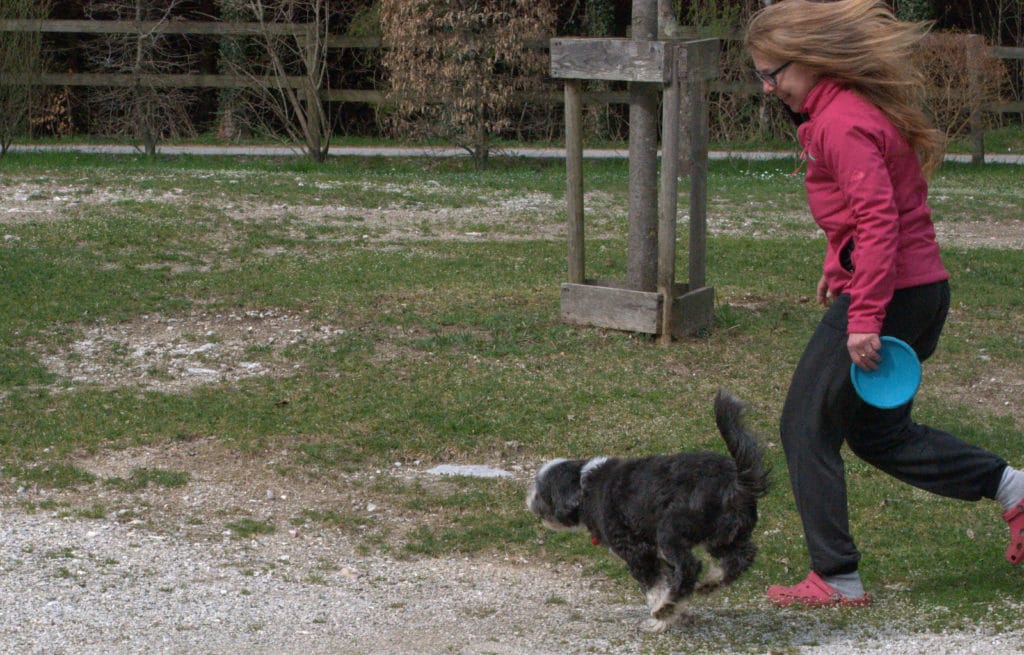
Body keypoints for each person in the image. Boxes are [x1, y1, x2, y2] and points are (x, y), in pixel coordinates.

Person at [744, 0, 1024, 606]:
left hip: (893, 295)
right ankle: (1013, 489)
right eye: (761, 75)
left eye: (773, 73)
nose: (768, 88)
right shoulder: (835, 114)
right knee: (877, 434)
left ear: (810, 59)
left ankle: (836, 577)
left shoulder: (841, 122)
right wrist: (836, 265)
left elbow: (879, 222)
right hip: (917, 291)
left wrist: (864, 317)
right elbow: (862, 212)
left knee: (805, 424)